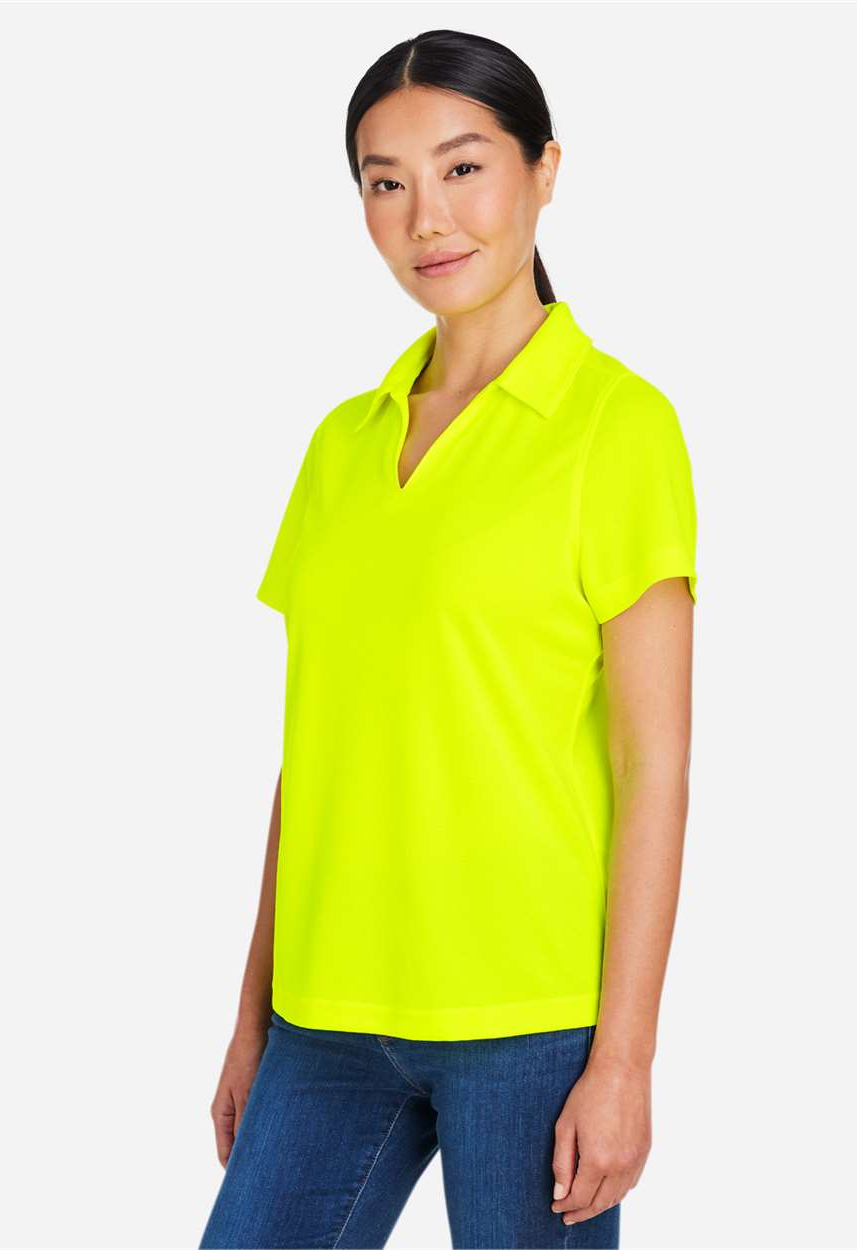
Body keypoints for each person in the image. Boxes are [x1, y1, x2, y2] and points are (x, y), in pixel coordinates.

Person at [199, 28, 698, 1250]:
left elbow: (653, 765)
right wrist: (255, 1011)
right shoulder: (343, 443)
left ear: (544, 169)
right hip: (326, 1014)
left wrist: (623, 1059)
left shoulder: (617, 426)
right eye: (386, 181)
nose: (426, 216)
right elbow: (314, 753)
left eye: (463, 167)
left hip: (528, 1021)